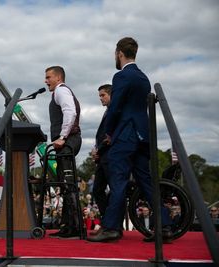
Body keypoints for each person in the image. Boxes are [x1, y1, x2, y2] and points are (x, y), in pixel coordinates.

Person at [88, 37, 172, 243]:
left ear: (119, 53)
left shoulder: (121, 77)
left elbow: (115, 107)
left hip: (125, 136)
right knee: (146, 182)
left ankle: (110, 228)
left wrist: (109, 131)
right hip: (143, 137)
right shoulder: (144, 78)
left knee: (118, 182)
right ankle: (166, 226)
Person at [45, 66, 82, 239]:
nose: (46, 81)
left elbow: (70, 112)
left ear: (58, 78)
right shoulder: (58, 92)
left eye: (48, 77)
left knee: (68, 184)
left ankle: (75, 227)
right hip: (67, 141)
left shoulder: (61, 91)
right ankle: (68, 225)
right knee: (65, 183)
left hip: (68, 140)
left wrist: (62, 137)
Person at [91, 84, 112, 220]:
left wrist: (99, 150)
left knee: (114, 191)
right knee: (97, 190)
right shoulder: (107, 112)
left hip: (110, 156)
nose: (100, 98)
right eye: (99, 96)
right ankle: (106, 220)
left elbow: (110, 135)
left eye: (103, 95)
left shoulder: (114, 112)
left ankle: (110, 222)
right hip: (102, 157)